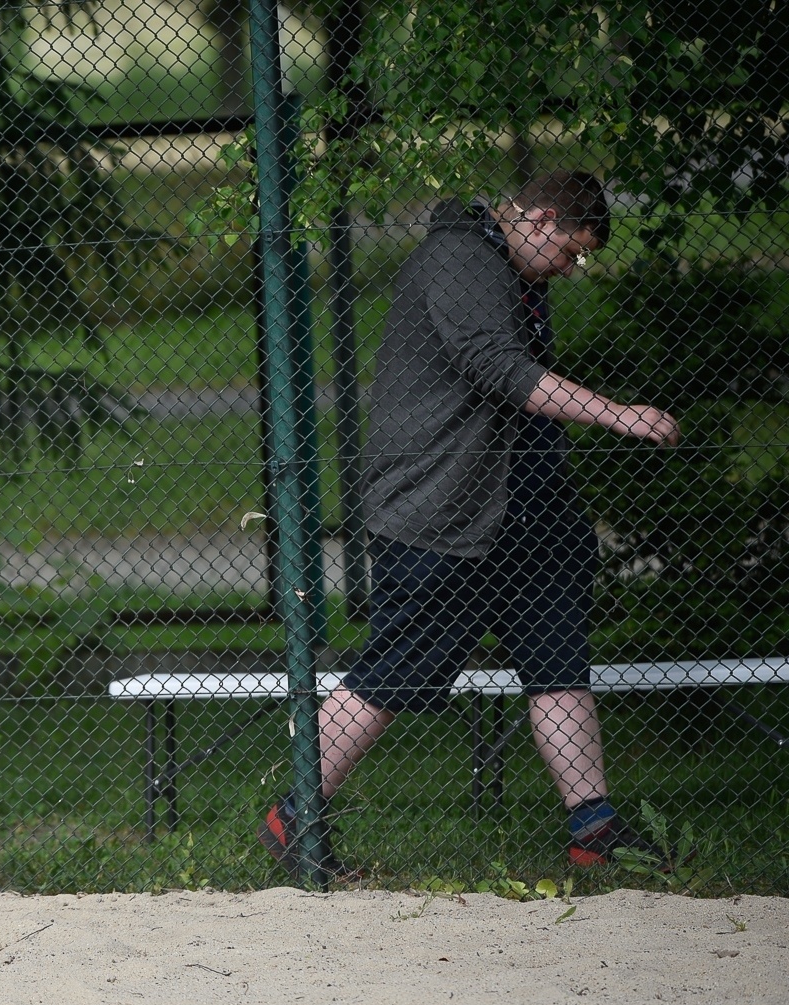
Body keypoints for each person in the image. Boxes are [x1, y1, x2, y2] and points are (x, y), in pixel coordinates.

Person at [258, 172, 682, 880]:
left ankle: (595, 830)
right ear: (540, 219)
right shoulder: (458, 259)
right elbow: (501, 371)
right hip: (444, 514)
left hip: (530, 511)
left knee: (558, 659)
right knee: (396, 669)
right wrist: (621, 415)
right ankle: (294, 816)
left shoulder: (510, 268)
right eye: (571, 252)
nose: (571, 269)